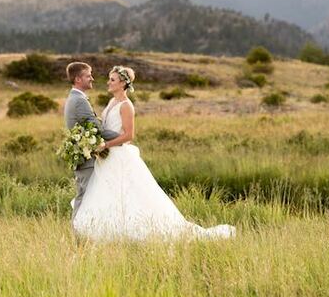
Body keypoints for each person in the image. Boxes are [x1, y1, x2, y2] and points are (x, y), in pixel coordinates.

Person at [72, 65, 236, 241]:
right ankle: (111, 231)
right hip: (107, 158)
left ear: (122, 84)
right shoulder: (112, 102)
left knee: (131, 195)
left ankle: (136, 230)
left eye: (112, 80)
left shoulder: (127, 106)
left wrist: (106, 145)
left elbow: (129, 136)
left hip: (119, 155)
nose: (108, 82)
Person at [63, 61, 119, 223]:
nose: (92, 78)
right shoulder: (79, 100)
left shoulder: (76, 97)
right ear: (78, 79)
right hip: (86, 159)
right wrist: (123, 137)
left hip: (84, 158)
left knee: (87, 197)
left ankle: (85, 235)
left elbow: (92, 125)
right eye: (88, 75)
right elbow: (98, 130)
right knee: (86, 198)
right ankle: (79, 236)